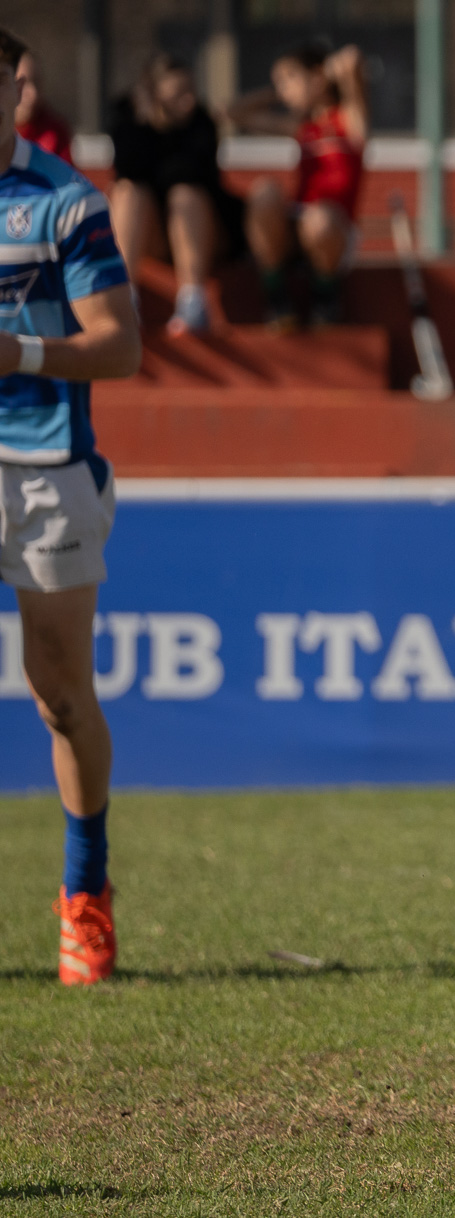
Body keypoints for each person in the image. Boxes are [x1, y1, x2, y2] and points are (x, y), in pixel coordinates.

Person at [0, 28, 142, 985]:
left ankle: (84, 895)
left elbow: (121, 345)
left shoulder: (62, 202)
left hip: (45, 468)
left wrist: (21, 356)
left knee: (59, 697)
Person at [228, 42, 366, 329]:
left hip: (332, 230)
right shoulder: (300, 127)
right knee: (265, 191)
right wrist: (278, 93)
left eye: (289, 78)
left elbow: (351, 60)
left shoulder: (348, 119)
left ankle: (325, 298)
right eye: (279, 82)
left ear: (317, 78)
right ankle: (277, 298)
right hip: (298, 227)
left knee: (320, 219)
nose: (284, 88)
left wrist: (333, 74)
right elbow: (234, 112)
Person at [108, 55, 245, 336]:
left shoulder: (202, 123)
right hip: (153, 235)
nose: (189, 100)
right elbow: (127, 170)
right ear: (155, 91)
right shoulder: (129, 120)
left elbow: (192, 174)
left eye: (191, 90)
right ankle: (126, 302)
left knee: (185, 194)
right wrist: (144, 126)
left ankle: (193, 302)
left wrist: (166, 135)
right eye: (179, 92)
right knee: (129, 192)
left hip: (202, 233)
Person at [13, 52, 70, 164]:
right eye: (21, 84)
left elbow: (65, 178)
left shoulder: (54, 131)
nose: (33, 93)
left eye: (36, 82)